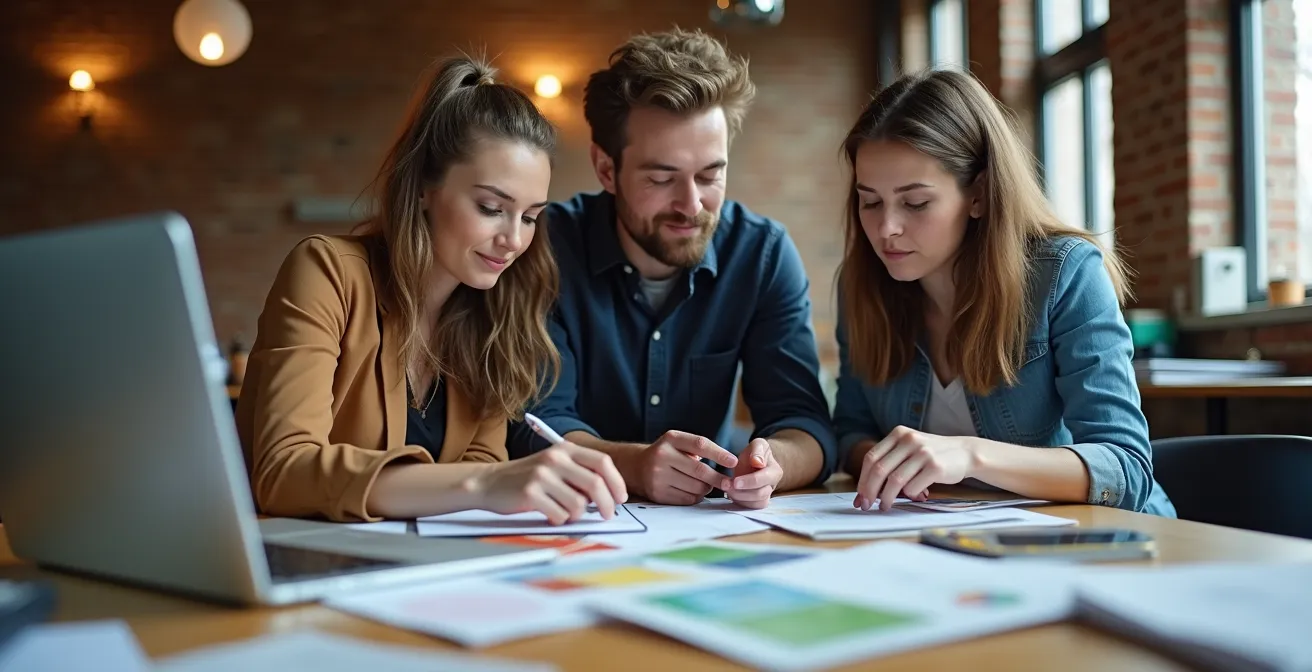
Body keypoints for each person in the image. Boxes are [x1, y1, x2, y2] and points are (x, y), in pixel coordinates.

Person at [235, 55, 626, 525]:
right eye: (491, 208)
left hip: (423, 562)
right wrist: (484, 483)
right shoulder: (328, 272)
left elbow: (481, 464)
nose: (514, 240)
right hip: (295, 559)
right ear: (423, 186)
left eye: (529, 217)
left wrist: (486, 481)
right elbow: (283, 472)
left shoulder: (496, 312)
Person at [507, 29, 836, 509]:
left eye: (710, 175)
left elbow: (806, 424)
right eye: (662, 179)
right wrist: (634, 465)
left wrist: (774, 463)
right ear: (606, 169)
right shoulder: (547, 247)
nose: (692, 205)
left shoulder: (761, 254)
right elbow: (536, 424)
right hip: (571, 519)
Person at [832, 69, 1176, 517]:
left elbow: (1125, 471)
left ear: (978, 194)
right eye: (870, 202)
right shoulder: (862, 286)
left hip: (1103, 538)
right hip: (943, 533)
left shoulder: (1066, 274)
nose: (886, 228)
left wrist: (970, 456)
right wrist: (891, 464)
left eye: (915, 203)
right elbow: (850, 431)